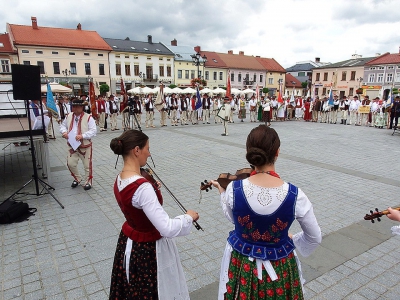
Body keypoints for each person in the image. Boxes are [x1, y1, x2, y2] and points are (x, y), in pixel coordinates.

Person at [211, 125, 321, 300]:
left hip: (243, 264)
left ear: (249, 152)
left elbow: (233, 218)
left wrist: (222, 193)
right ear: (277, 152)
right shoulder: (295, 195)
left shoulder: (234, 189)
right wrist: (291, 238)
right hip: (280, 266)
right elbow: (314, 237)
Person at [109, 130, 199, 299]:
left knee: (133, 289)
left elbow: (136, 206)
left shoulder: (120, 178)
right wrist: (188, 217)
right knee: (153, 291)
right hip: (147, 250)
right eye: (147, 149)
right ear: (136, 150)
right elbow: (167, 228)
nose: (149, 154)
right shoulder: (142, 187)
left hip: (129, 242)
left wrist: (151, 189)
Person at [59, 98, 97, 190]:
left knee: (87, 165)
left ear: (82, 107)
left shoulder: (88, 117)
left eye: (77, 106)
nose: (74, 108)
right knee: (70, 164)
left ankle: (88, 181)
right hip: (72, 144)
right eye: (73, 106)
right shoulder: (69, 116)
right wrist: (64, 132)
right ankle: (77, 178)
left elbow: (93, 131)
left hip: (85, 145)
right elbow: (63, 125)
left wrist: (83, 135)